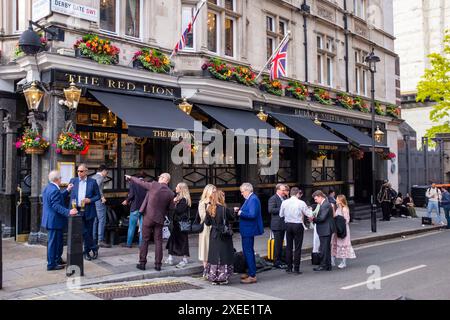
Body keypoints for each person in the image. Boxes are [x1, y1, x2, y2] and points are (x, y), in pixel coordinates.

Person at [126, 173, 175, 271]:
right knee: (158, 242)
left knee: (145, 240)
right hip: (160, 219)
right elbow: (171, 208)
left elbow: (141, 182)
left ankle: (142, 263)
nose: (159, 178)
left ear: (164, 179)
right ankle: (158, 265)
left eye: (160, 177)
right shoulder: (171, 193)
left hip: (148, 218)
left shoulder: (154, 185)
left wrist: (131, 177)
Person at [41, 171, 78, 271]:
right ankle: (51, 264)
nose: (61, 179)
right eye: (60, 177)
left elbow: (58, 199)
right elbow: (56, 205)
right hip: (54, 221)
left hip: (51, 220)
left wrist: (67, 190)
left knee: (57, 242)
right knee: (53, 243)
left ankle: (57, 259)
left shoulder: (49, 187)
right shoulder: (54, 190)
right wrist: (69, 211)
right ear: (57, 179)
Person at [69, 164, 101, 261]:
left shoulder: (93, 182)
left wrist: (90, 200)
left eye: (81, 171)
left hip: (89, 210)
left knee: (89, 232)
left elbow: (98, 196)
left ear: (86, 171)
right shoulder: (73, 181)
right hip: (77, 210)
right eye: (78, 171)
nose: (79, 173)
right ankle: (92, 248)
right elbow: (70, 195)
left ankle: (87, 251)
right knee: (83, 231)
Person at [204, 189, 235, 285]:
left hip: (214, 234)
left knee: (214, 255)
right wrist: (234, 211)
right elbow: (232, 218)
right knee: (224, 254)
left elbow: (207, 222)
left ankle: (213, 277)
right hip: (224, 234)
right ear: (221, 198)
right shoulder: (224, 209)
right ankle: (222, 277)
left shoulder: (209, 208)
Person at [235, 183, 264, 284]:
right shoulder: (250, 199)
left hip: (249, 229)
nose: (242, 194)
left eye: (242, 192)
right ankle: (250, 272)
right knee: (247, 251)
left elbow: (252, 214)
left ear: (247, 190)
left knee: (248, 251)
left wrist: (240, 213)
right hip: (247, 229)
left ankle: (252, 275)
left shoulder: (253, 199)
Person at [279, 187, 309, 275]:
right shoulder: (301, 202)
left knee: (289, 247)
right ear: (297, 194)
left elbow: (281, 214)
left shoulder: (284, 202)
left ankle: (289, 268)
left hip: (288, 225)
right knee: (297, 248)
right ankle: (296, 268)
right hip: (298, 225)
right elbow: (308, 214)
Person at [165, 182, 192, 268]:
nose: (175, 188)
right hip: (177, 224)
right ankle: (170, 257)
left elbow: (179, 211)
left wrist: (174, 203)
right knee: (172, 240)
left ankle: (184, 259)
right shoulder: (179, 198)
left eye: (177, 187)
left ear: (181, 189)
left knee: (182, 241)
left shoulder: (184, 199)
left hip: (181, 224)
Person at [308, 190, 336, 271]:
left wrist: (313, 218)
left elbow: (322, 218)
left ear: (320, 197)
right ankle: (327, 265)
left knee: (324, 248)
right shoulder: (324, 204)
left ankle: (324, 265)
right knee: (325, 248)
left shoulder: (325, 205)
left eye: (316, 199)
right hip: (325, 229)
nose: (315, 201)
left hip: (325, 229)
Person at [122, 172, 147, 248]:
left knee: (131, 227)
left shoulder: (133, 183)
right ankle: (141, 244)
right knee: (143, 228)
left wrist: (126, 200)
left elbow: (131, 195)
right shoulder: (146, 184)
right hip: (144, 208)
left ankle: (129, 244)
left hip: (135, 207)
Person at [331, 195, 356, 269]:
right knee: (334, 243)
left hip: (343, 229)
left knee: (343, 244)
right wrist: (333, 208)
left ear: (341, 200)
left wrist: (338, 219)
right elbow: (334, 216)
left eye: (337, 199)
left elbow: (346, 220)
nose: (336, 200)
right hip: (337, 229)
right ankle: (332, 261)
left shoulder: (345, 209)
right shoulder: (338, 208)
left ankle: (343, 262)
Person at [198, 184, 217, 277]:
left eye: (215, 191)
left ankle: (213, 270)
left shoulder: (217, 202)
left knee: (213, 249)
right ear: (208, 192)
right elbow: (203, 217)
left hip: (215, 227)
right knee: (205, 248)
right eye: (213, 191)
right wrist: (208, 208)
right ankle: (206, 270)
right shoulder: (203, 202)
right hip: (206, 228)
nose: (215, 193)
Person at [268, 184, 288, 269]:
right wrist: (282, 208)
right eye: (283, 190)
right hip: (277, 225)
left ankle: (281, 259)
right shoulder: (273, 198)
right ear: (278, 190)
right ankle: (277, 261)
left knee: (280, 244)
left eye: (284, 190)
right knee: (278, 244)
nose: (284, 192)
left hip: (283, 224)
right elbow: (271, 210)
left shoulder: (284, 198)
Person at [92, 164, 111, 248]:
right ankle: (100, 240)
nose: (106, 174)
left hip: (92, 201)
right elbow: (98, 188)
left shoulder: (93, 177)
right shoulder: (100, 178)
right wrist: (102, 196)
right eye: (106, 172)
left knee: (95, 220)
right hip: (99, 201)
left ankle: (94, 238)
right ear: (103, 171)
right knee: (102, 220)